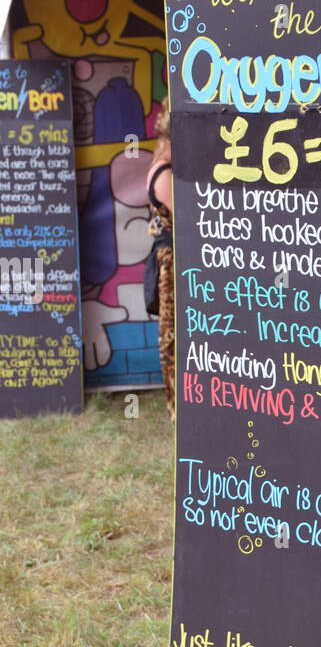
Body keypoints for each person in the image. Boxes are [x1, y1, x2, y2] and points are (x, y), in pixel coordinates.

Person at [145, 106, 175, 418]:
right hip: (172, 261)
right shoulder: (164, 173)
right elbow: (183, 219)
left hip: (168, 258)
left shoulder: (160, 165)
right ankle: (177, 404)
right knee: (173, 335)